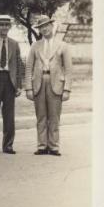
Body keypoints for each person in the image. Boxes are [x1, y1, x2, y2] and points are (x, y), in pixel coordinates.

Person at [25, 15, 73, 156]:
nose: (44, 29)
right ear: (39, 30)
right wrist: (28, 87)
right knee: (41, 116)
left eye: (46, 26)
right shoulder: (35, 45)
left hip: (56, 84)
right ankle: (42, 146)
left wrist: (67, 89)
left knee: (54, 117)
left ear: (52, 26)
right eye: (41, 27)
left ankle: (53, 146)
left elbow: (69, 70)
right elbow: (29, 67)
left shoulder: (62, 45)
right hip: (39, 83)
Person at [0, 13, 25, 154]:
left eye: (6, 25)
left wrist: (19, 85)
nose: (4, 27)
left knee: (9, 115)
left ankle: (8, 145)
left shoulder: (14, 44)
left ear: (10, 27)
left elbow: (19, 65)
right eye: (1, 25)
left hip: (9, 81)